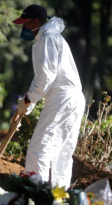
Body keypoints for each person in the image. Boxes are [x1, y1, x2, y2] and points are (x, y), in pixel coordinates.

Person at [13, 4, 85, 188]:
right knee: (61, 152)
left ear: (35, 22)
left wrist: (29, 100)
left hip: (62, 97)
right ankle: (57, 200)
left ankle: (36, 197)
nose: (24, 28)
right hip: (70, 97)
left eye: (25, 23)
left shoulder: (47, 38)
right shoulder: (48, 38)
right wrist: (27, 105)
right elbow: (42, 77)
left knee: (39, 148)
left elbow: (46, 76)